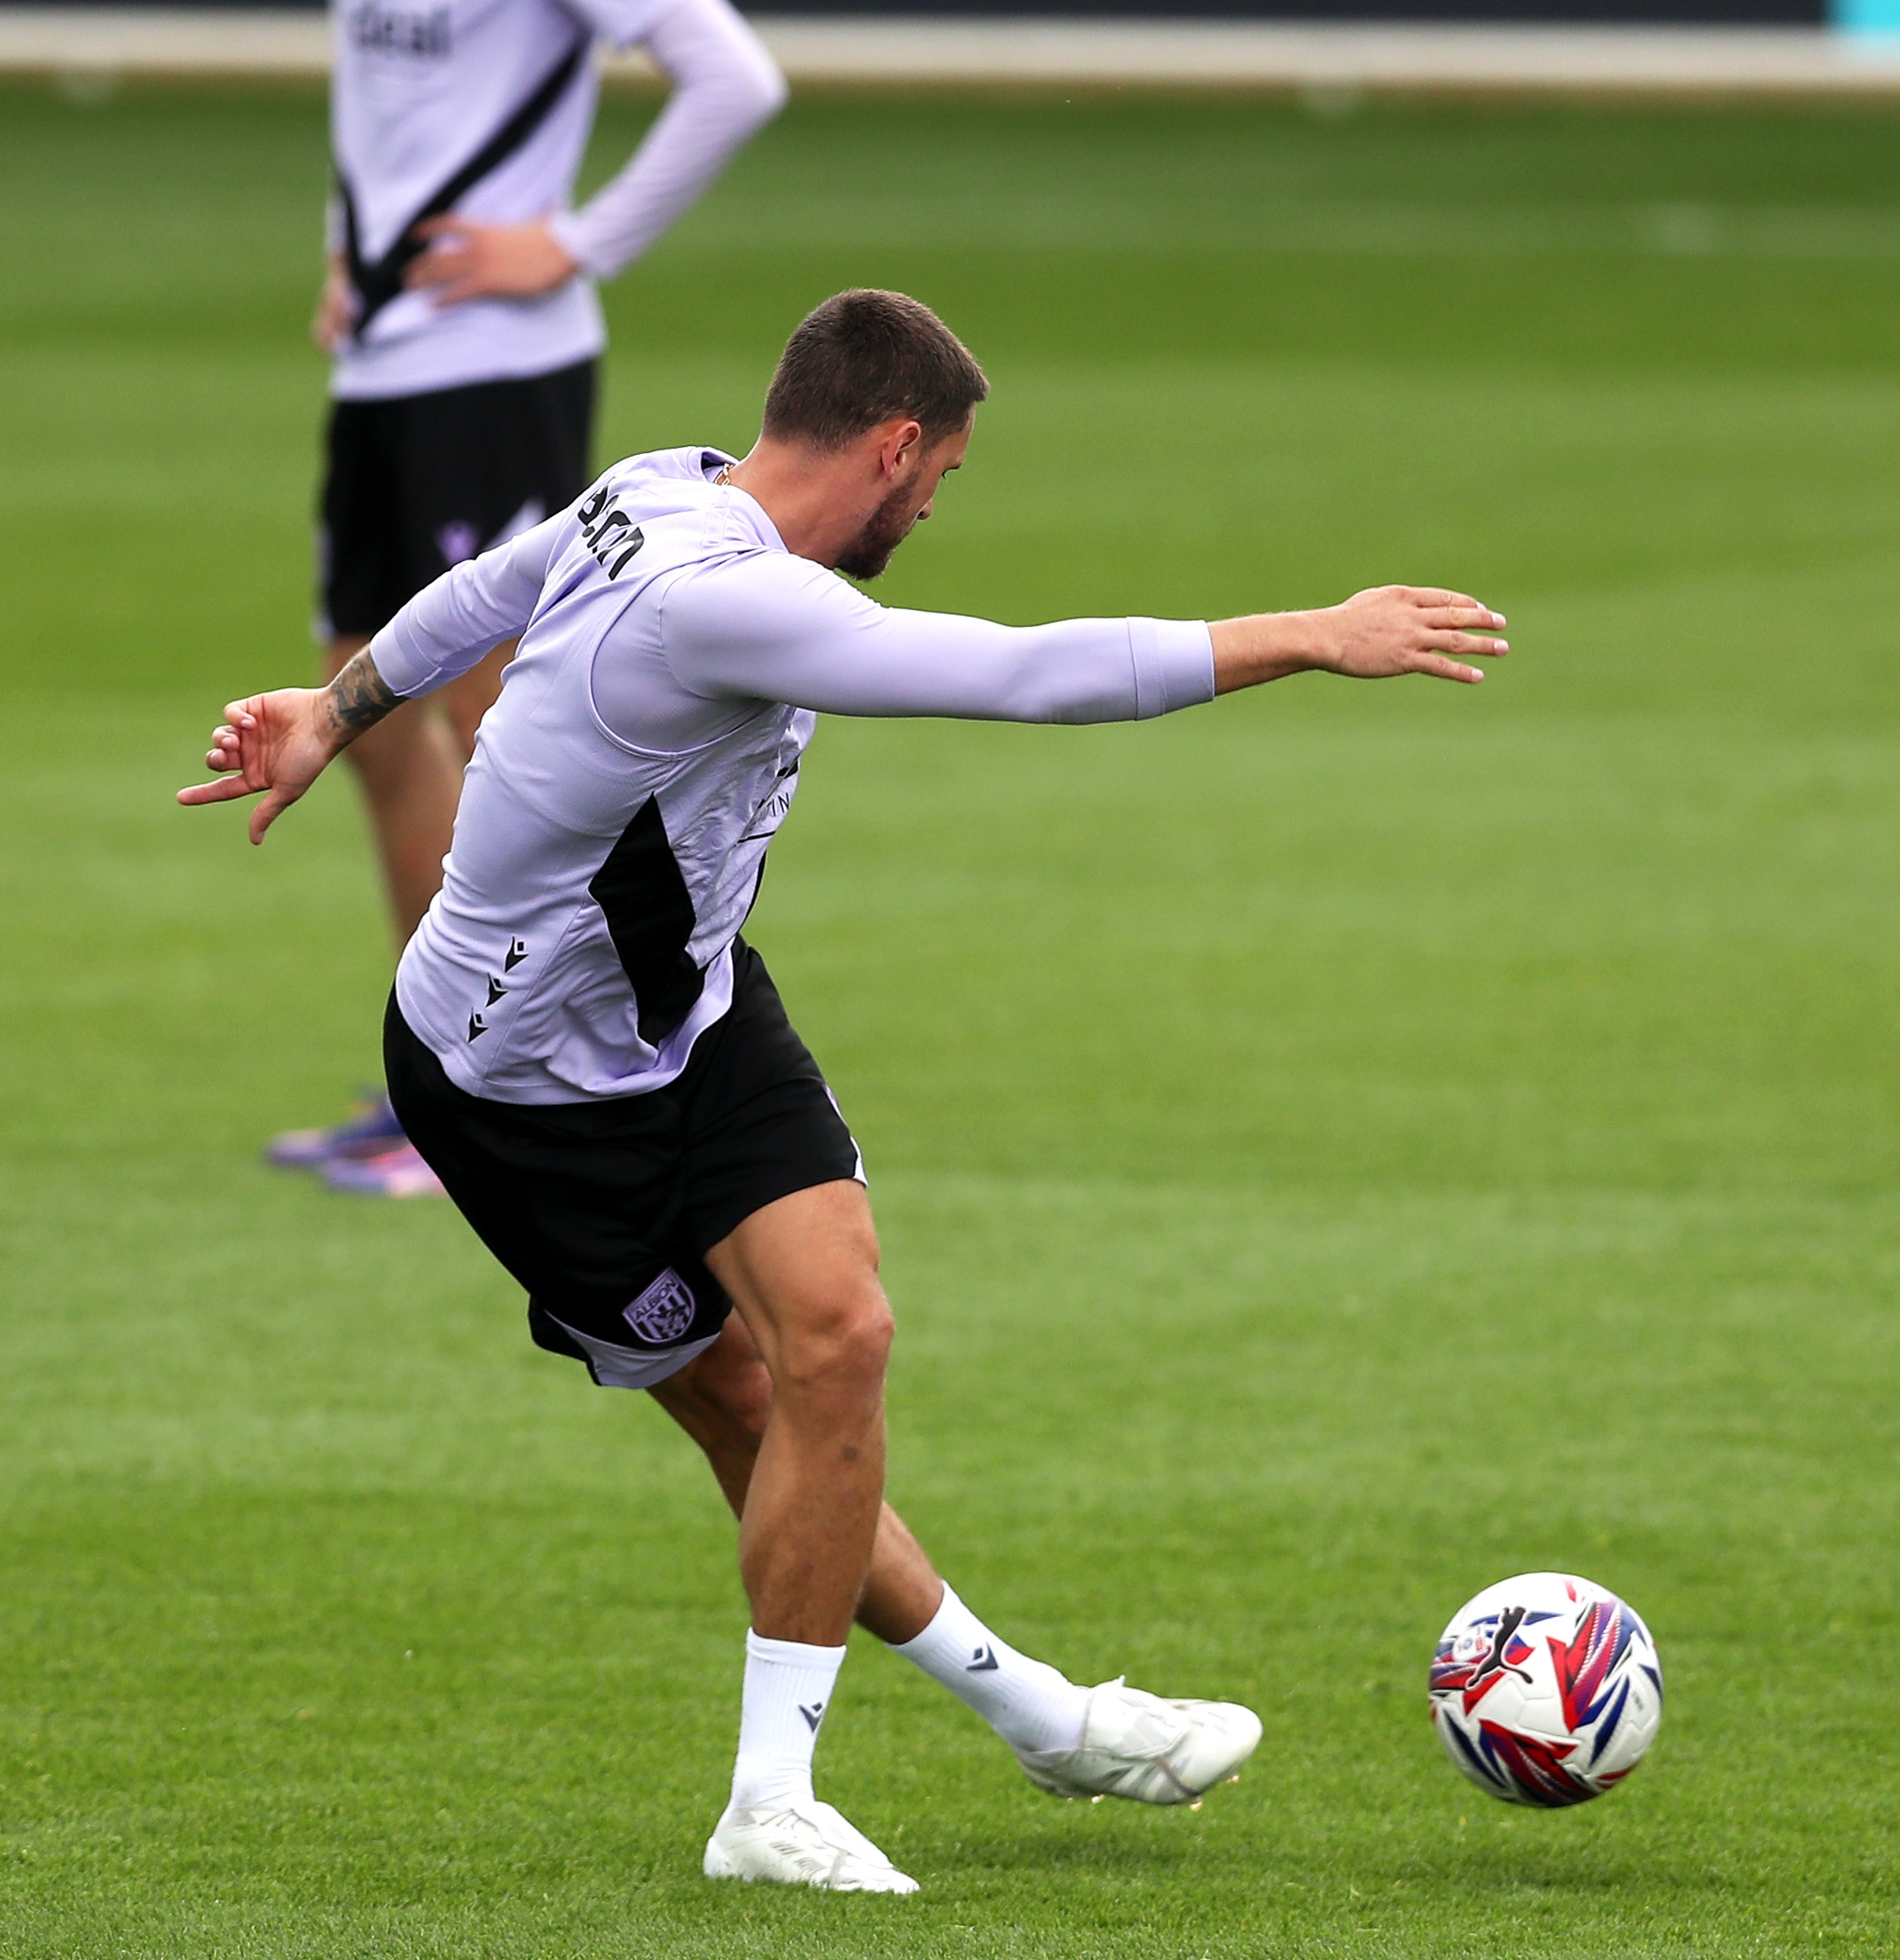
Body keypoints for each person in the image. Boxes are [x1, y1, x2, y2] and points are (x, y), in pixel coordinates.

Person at [181, 290, 1510, 1890]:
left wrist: (336, 712)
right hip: (523, 1087)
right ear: (889, 447)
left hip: (700, 999)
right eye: (940, 473)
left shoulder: (663, 479)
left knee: (843, 1335)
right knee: (749, 1408)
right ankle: (1035, 1718)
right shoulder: (725, 601)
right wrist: (1311, 633)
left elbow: (485, 584)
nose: (939, 504)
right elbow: (1029, 674)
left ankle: (793, 1795)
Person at [271, 0, 789, 1196]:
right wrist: (344, 255)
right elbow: (389, 100)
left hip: (498, 369)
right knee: (358, 711)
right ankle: (431, 1077)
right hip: (387, 361)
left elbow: (728, 73)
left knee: (503, 723)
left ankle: (517, 1087)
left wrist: (574, 242)